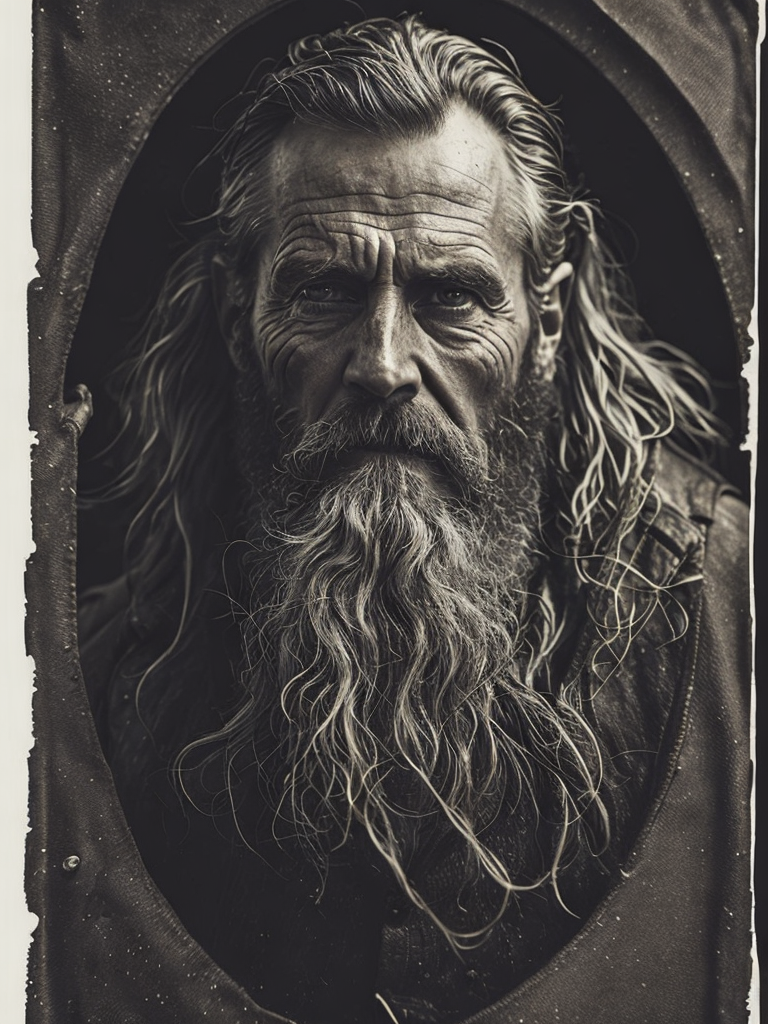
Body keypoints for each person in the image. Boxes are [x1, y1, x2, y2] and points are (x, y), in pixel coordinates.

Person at [78, 15, 751, 1024]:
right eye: (325, 289)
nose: (385, 364)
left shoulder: (740, 637)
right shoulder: (90, 678)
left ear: (547, 323)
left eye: (451, 296)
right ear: (237, 316)